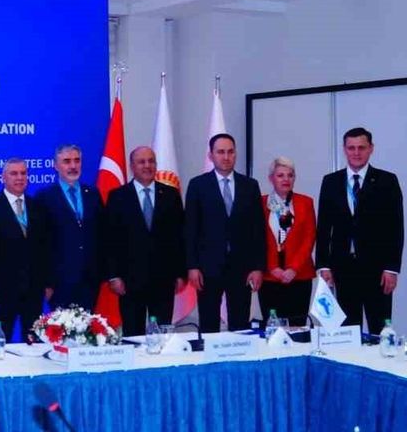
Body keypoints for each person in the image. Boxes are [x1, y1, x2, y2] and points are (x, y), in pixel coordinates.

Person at [316, 127, 404, 330]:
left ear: (371, 148)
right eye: (351, 148)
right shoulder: (330, 182)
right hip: (343, 269)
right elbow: (323, 227)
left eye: (361, 148)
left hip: (378, 270)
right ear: (344, 149)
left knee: (379, 330)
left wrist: (392, 268)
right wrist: (323, 265)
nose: (356, 153)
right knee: (347, 332)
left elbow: (396, 228)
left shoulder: (387, 181)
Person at [184, 133, 264, 332]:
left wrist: (258, 267)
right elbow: (190, 228)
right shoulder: (198, 185)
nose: (226, 157)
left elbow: (257, 230)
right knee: (209, 323)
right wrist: (192, 266)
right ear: (211, 155)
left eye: (230, 152)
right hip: (208, 268)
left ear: (235, 154)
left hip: (241, 267)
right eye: (220, 152)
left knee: (240, 324)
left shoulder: (250, 186)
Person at [105, 146, 186, 337]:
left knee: (162, 335)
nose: (147, 165)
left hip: (164, 280)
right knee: (133, 335)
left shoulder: (171, 195)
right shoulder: (118, 196)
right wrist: (114, 276)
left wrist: (180, 273)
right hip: (130, 281)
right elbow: (110, 240)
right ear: (132, 166)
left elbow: (179, 237)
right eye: (141, 162)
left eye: (151, 161)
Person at [0, 159, 52, 341]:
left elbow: (46, 248)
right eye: (14, 173)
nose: (20, 177)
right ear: (3, 177)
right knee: (2, 338)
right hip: (3, 289)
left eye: (23, 173)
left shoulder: (38, 207)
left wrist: (48, 282)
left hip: (34, 288)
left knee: (34, 339)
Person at [34, 144, 104, 309]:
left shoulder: (93, 194)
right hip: (59, 282)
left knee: (89, 324)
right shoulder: (44, 197)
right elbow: (40, 243)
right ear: (55, 166)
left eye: (77, 160)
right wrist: (46, 281)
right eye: (67, 161)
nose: (73, 166)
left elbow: (102, 234)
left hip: (90, 279)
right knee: (61, 325)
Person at [259, 156, 316, 325]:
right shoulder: (260, 203)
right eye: (280, 175)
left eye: (290, 175)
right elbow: (257, 239)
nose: (286, 179)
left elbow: (309, 238)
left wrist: (293, 268)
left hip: (299, 276)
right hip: (270, 278)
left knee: (298, 329)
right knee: (273, 329)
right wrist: (272, 267)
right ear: (271, 178)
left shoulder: (305, 202)